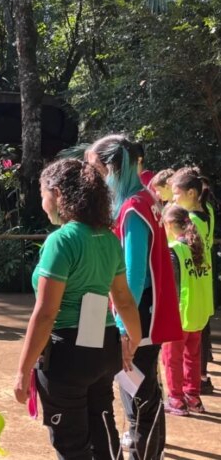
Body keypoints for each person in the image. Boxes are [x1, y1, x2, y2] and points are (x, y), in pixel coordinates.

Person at [14, 158, 142, 459]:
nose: (42, 203)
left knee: (72, 446)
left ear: (58, 194)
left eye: (43, 194)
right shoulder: (109, 239)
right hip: (104, 348)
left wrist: (22, 371)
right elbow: (123, 300)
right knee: (103, 433)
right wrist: (131, 342)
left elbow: (46, 313)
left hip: (67, 355)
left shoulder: (61, 241)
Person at [87, 134, 182, 460]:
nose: (94, 177)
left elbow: (134, 277)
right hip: (134, 313)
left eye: (96, 169)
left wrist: (123, 329)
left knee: (138, 397)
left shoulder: (131, 208)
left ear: (112, 167)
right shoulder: (143, 199)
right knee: (143, 391)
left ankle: (140, 452)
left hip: (132, 316)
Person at [161, 205, 213, 415]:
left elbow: (171, 285)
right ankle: (193, 397)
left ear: (170, 225)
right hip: (197, 312)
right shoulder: (197, 246)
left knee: (171, 358)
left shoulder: (175, 249)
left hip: (180, 314)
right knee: (192, 356)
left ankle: (176, 399)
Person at [170, 166, 216, 396]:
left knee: (181, 351)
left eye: (176, 194)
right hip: (202, 287)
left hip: (189, 293)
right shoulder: (207, 209)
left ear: (191, 193)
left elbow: (178, 247)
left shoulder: (191, 223)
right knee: (195, 346)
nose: (173, 199)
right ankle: (194, 390)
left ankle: (180, 395)